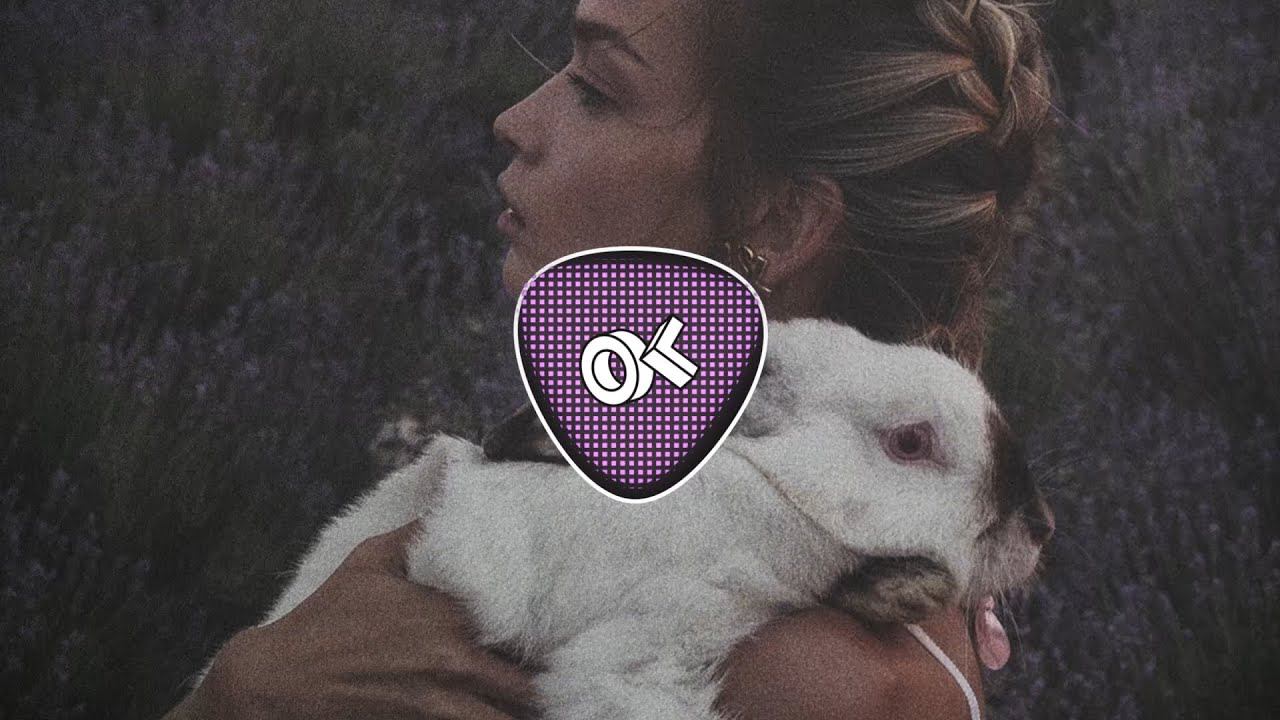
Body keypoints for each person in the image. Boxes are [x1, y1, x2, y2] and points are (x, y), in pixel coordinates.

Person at [163, 0, 1055, 717]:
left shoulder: (797, 680)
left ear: (781, 220)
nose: (515, 120)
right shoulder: (662, 517)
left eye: (596, 88)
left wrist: (243, 699)